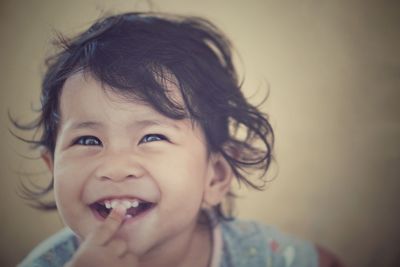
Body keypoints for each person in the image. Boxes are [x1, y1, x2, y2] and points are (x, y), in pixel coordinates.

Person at [16, 12, 344, 267]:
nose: (115, 168)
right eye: (87, 141)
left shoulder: (258, 255)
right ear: (52, 165)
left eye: (152, 136)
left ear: (213, 176)